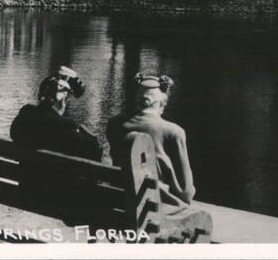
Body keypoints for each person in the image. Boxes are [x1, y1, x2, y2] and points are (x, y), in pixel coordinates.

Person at [106, 73, 195, 207]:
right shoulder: (174, 132)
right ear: (160, 104)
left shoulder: (114, 124)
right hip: (154, 207)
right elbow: (185, 193)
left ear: (137, 100)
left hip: (118, 200)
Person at [10, 69, 102, 161]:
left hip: (25, 172)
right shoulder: (65, 125)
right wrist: (91, 138)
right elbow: (94, 154)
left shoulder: (26, 114)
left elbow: (13, 134)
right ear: (63, 101)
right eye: (67, 100)